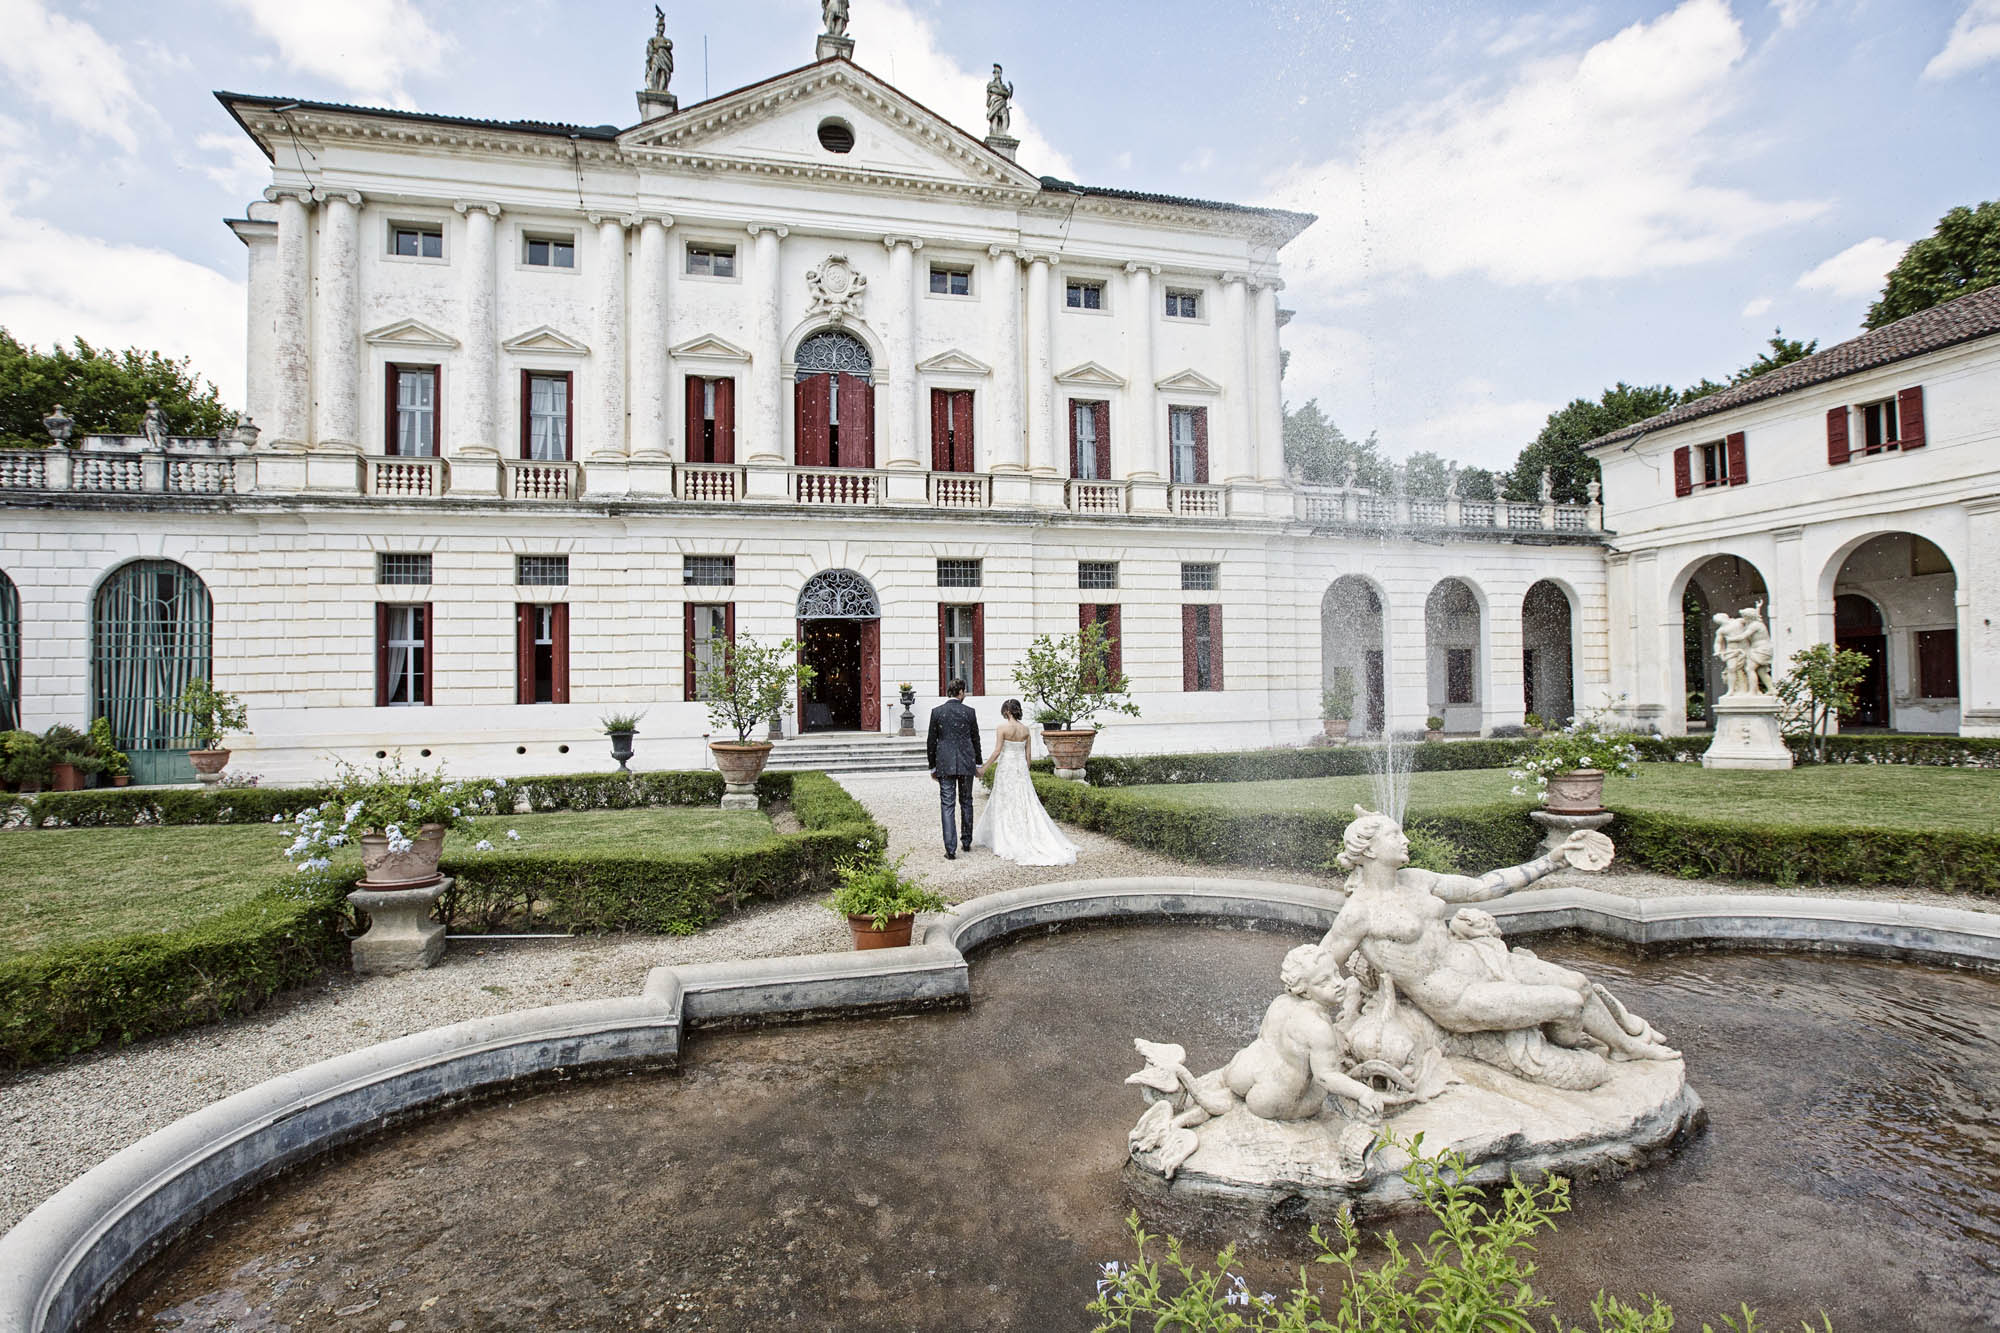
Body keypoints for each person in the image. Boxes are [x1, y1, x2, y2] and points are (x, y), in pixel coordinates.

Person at [1318, 809, 1677, 1064]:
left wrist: (1552, 861)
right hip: (1458, 997)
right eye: (1394, 834)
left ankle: (1623, 1045)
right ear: (1368, 849)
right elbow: (1319, 965)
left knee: (1579, 983)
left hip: (1480, 962)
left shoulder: (1418, 879)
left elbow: (1484, 887)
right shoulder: (1359, 912)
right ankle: (1570, 1036)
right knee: (1568, 1003)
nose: (1405, 839)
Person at [970, 699, 1079, 866]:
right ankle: (1028, 832)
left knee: (1005, 802)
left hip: (1006, 768)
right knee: (1025, 801)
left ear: (1007, 711)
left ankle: (1005, 835)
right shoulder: (1025, 730)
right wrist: (1023, 772)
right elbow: (1028, 759)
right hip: (1020, 769)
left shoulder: (1002, 728)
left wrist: (984, 768)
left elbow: (997, 751)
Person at [926, 679, 982, 859]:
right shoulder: (969, 712)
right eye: (964, 691)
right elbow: (976, 739)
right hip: (966, 762)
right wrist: (978, 763)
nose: (964, 694)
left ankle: (950, 849)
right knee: (966, 801)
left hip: (944, 762)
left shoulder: (937, 712)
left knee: (947, 805)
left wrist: (932, 766)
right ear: (960, 692)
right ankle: (966, 841)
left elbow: (931, 742)